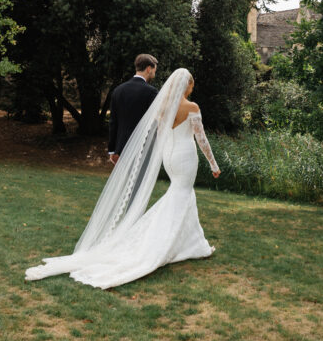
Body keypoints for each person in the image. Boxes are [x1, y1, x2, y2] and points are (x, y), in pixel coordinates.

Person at [25, 68, 221, 289]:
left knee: (180, 194)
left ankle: (194, 243)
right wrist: (214, 165)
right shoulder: (192, 107)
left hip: (169, 156)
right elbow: (201, 139)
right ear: (188, 85)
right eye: (191, 86)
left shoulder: (164, 107)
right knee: (181, 194)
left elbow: (159, 133)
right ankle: (175, 243)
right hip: (185, 155)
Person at [108, 53, 158, 164]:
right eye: (154, 71)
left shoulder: (118, 90)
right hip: (143, 147)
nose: (154, 74)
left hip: (122, 148)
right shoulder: (151, 92)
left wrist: (112, 150)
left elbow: (113, 122)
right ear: (149, 69)